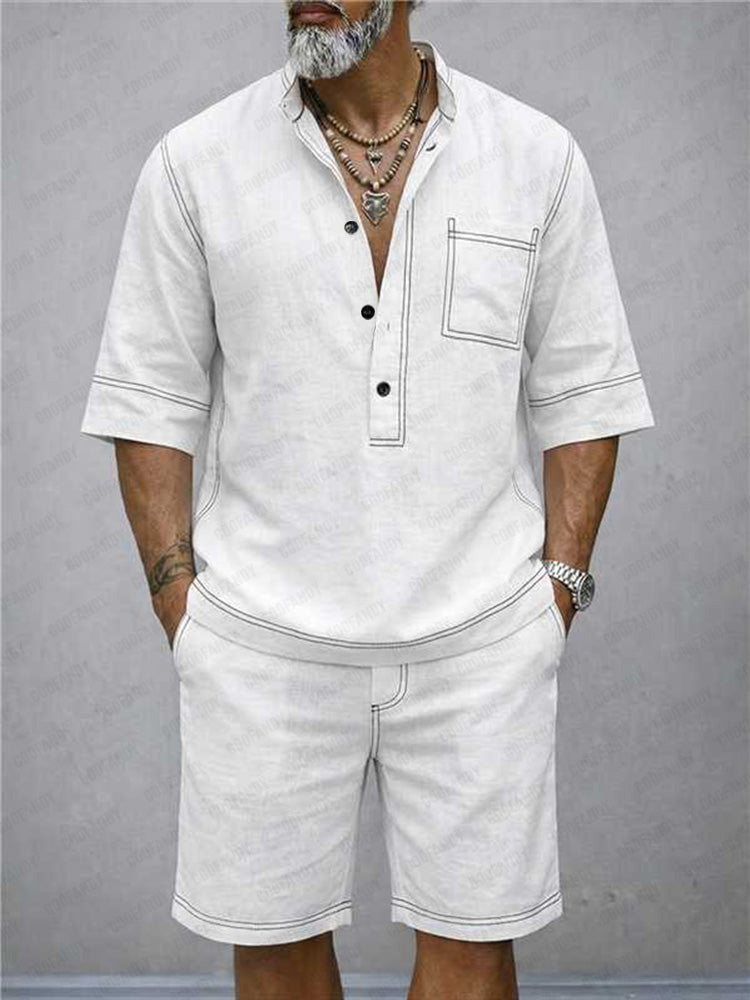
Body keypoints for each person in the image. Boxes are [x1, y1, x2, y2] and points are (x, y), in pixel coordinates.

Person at [79, 1, 656, 997]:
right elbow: (149, 398)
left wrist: (553, 595)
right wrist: (184, 604)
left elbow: (585, 392)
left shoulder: (535, 158)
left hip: (481, 642)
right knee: (275, 956)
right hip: (261, 646)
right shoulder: (195, 164)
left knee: (474, 959)